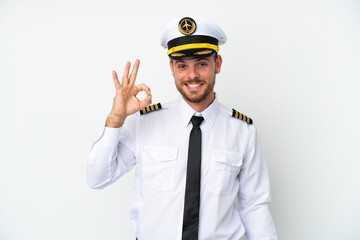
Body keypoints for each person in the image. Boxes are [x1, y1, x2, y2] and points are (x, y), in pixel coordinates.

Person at [87, 16, 277, 240]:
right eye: (182, 66)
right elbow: (97, 178)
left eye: (202, 64)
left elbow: (254, 207)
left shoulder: (243, 131)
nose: (192, 75)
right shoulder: (145, 122)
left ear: (218, 64)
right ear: (172, 68)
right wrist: (116, 118)